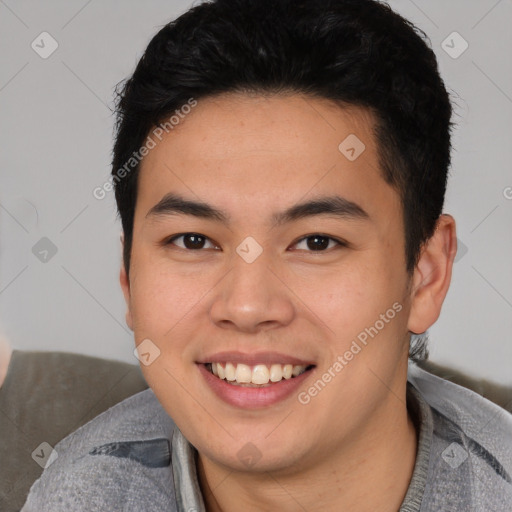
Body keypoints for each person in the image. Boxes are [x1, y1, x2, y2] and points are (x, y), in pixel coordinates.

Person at [21, 0, 512, 510]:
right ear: (128, 276)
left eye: (317, 242)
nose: (248, 307)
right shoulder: (77, 494)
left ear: (426, 274)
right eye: (193, 241)